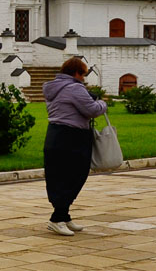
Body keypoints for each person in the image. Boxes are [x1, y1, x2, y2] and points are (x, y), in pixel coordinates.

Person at [42, 56, 108, 235]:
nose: (83, 79)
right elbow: (92, 111)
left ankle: (63, 215)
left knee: (59, 177)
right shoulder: (74, 88)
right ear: (76, 73)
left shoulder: (53, 87)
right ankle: (57, 218)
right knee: (75, 175)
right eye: (83, 75)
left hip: (55, 135)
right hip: (73, 136)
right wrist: (102, 103)